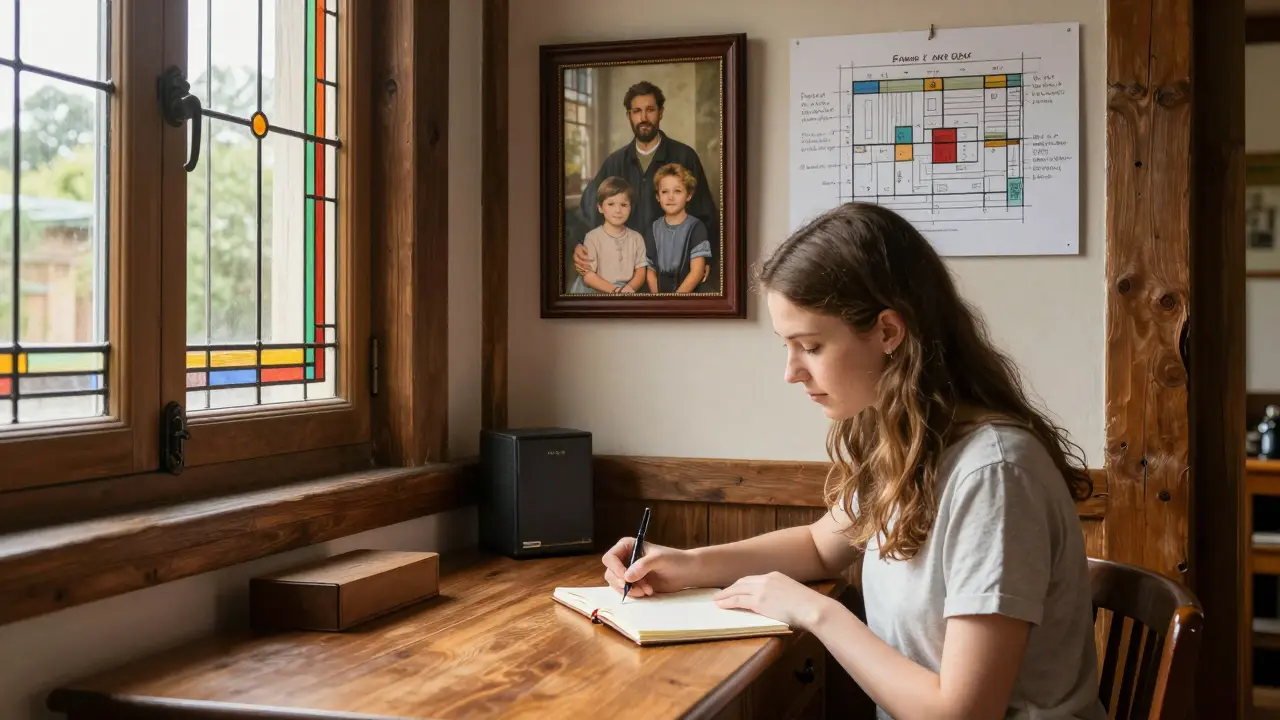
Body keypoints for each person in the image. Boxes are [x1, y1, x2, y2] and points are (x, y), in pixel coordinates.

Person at [601, 202, 1106, 720]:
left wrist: (816, 611)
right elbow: (821, 547)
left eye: (811, 346)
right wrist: (689, 564)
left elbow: (963, 713)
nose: (791, 373)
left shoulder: (995, 474)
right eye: (787, 347)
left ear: (889, 332)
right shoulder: (908, 438)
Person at [568, 80, 717, 289]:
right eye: (637, 111)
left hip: (674, 270)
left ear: (661, 112)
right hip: (624, 270)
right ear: (629, 115)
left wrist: (706, 258)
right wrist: (579, 244)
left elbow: (705, 212)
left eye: (650, 110)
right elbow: (587, 211)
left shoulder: (684, 156)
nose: (643, 118)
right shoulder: (615, 162)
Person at [568, 176, 648, 294]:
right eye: (611, 204)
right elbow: (589, 276)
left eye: (624, 205)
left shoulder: (637, 238)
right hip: (598, 290)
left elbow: (640, 272)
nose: (618, 210)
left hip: (626, 291)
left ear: (630, 207)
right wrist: (615, 291)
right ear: (600, 207)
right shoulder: (593, 237)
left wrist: (628, 289)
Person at [646, 163, 711, 293]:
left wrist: (675, 301)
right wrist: (658, 300)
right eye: (664, 192)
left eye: (677, 191)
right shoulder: (654, 228)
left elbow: (697, 272)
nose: (670, 197)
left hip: (687, 297)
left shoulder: (696, 227)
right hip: (660, 298)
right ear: (658, 197)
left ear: (688, 195)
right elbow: (650, 271)